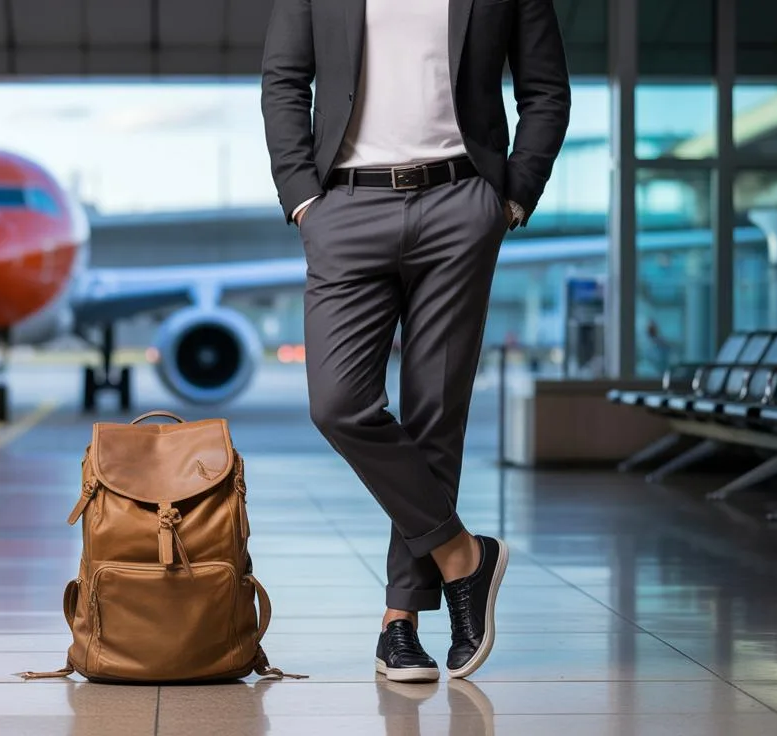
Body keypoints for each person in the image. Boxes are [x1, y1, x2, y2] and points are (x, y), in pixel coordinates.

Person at [261, 0, 571, 681]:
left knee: (434, 414)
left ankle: (399, 623)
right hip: (345, 205)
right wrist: (302, 198)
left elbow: (545, 90)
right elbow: (286, 80)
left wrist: (514, 196)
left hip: (461, 203)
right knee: (338, 403)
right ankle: (464, 557)